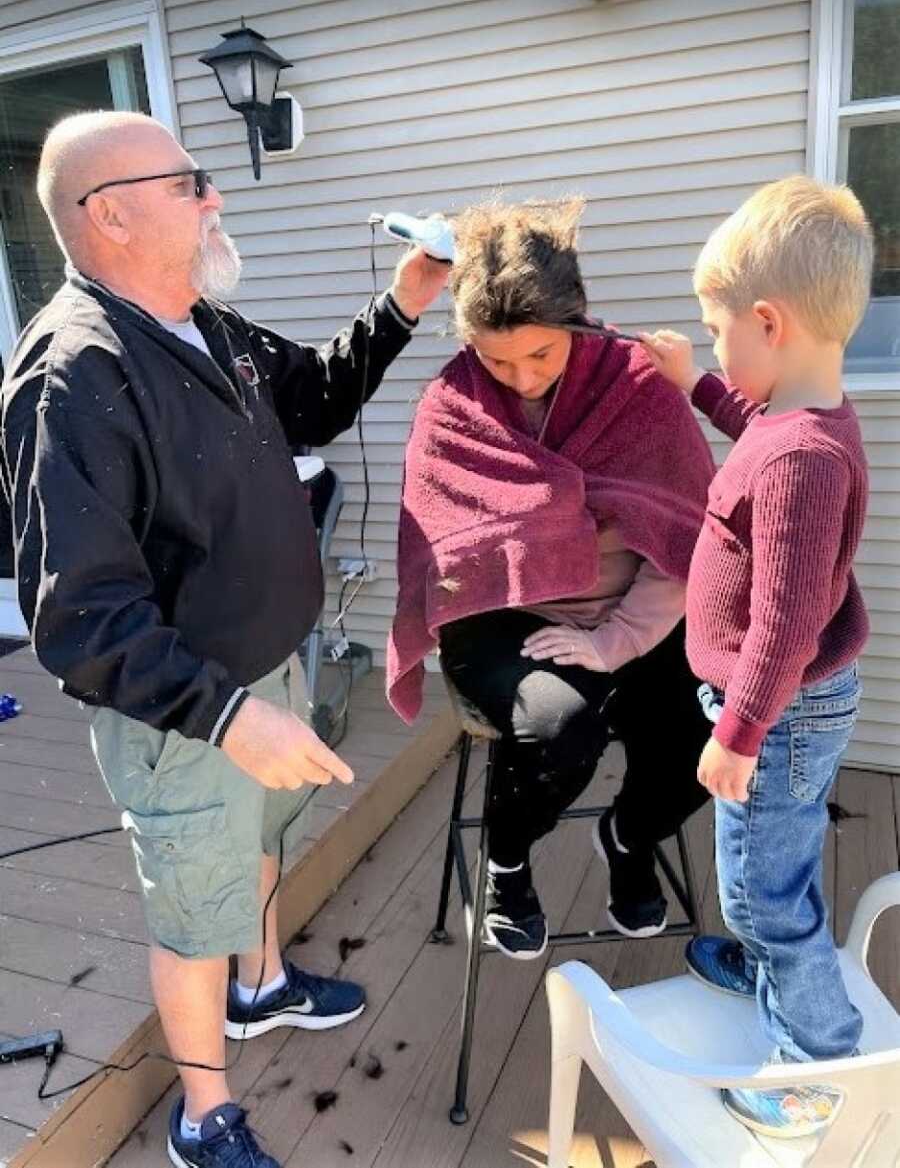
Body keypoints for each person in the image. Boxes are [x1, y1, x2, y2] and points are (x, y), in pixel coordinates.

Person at [0, 111, 448, 1168]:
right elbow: (76, 612)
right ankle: (204, 1114)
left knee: (256, 846)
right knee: (192, 910)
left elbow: (319, 398)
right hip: (188, 710)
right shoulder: (74, 376)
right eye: (191, 183)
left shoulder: (205, 322)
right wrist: (227, 713)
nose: (217, 198)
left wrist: (402, 304)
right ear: (110, 214)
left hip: (265, 668)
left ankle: (263, 982)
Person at [387, 198, 714, 960]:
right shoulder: (452, 402)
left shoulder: (640, 386)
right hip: (504, 614)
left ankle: (628, 836)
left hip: (640, 604)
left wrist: (617, 640)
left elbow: (682, 536)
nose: (522, 377)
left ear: (579, 321)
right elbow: (441, 546)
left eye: (541, 354)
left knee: (711, 728)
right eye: (497, 359)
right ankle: (507, 859)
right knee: (560, 727)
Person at [641, 175, 872, 1139]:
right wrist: (695, 378)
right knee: (774, 860)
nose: (720, 344)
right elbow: (753, 430)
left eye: (720, 327)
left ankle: (818, 1060)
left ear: (769, 322)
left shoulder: (803, 462)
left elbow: (782, 627)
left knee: (759, 887)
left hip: (774, 710)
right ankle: (779, 964)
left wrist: (738, 735)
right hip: (785, 706)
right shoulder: (799, 423)